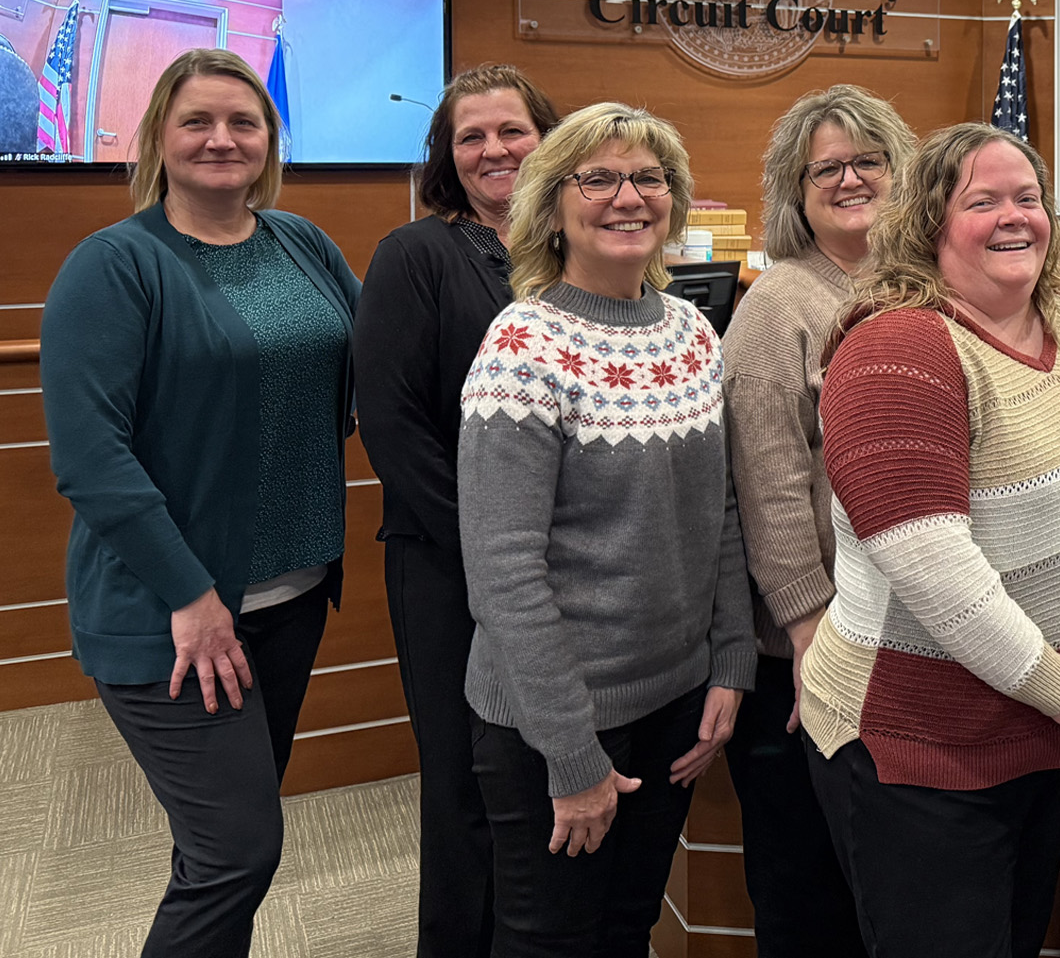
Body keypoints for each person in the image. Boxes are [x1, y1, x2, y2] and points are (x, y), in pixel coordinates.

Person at [800, 122, 1060, 958]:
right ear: (929, 223)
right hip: (917, 747)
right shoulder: (894, 347)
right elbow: (930, 561)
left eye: (1028, 198)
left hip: (1039, 734)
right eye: (983, 201)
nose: (1015, 217)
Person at [41, 48, 361, 958]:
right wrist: (191, 595)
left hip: (290, 596)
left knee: (226, 841)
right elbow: (92, 459)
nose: (222, 139)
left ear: (269, 141)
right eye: (197, 121)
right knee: (236, 853)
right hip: (174, 613)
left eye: (243, 122)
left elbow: (375, 366)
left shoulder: (303, 242)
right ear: (158, 138)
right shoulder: (116, 265)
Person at [457, 101, 756, 956]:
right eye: (598, 178)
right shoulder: (522, 345)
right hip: (554, 720)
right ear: (554, 205)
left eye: (649, 178)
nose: (628, 197)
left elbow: (721, 512)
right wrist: (572, 754)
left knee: (627, 926)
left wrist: (730, 659)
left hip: (674, 705)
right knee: (550, 939)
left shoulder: (695, 331)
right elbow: (504, 570)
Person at [353, 62, 562, 958]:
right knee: (467, 779)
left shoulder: (580, 248)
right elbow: (393, 427)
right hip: (449, 563)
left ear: (547, 139)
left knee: (546, 769)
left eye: (511, 130)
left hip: (566, 566)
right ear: (447, 155)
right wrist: (493, 551)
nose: (494, 150)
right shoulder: (417, 256)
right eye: (470, 136)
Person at [721, 84, 915, 957]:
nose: (848, 178)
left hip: (909, 635)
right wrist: (806, 629)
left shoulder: (924, 286)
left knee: (892, 883)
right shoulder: (777, 305)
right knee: (808, 895)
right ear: (794, 192)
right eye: (824, 167)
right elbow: (768, 481)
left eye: (866, 159)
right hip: (810, 654)